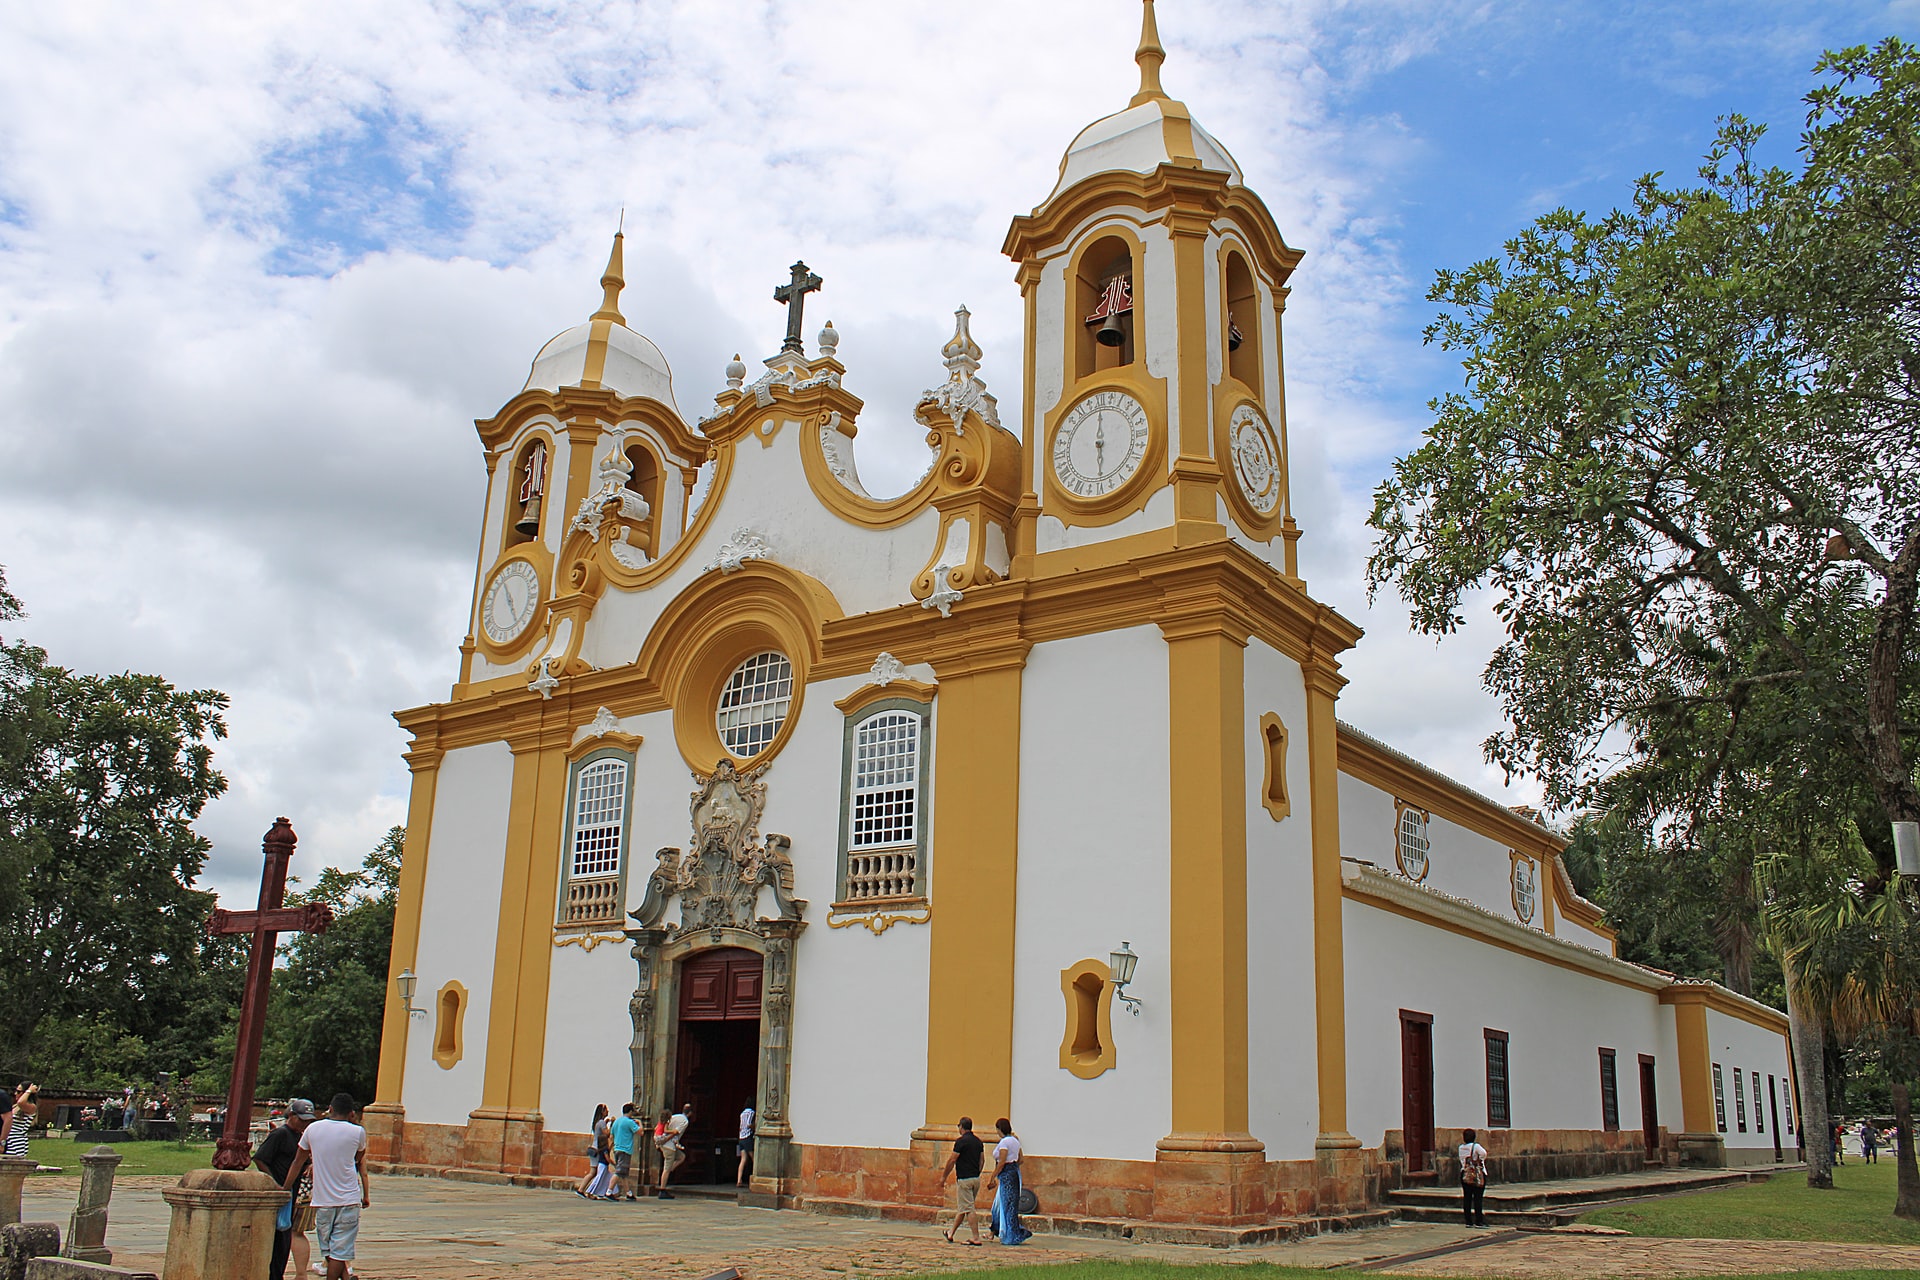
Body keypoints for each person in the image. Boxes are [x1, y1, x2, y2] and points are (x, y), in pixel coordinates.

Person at [284, 1094, 368, 1280]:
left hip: (323, 1200)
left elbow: (297, 1162)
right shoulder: (357, 1132)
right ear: (352, 1114)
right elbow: (358, 1157)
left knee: (329, 1249)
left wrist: (286, 1188)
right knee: (340, 1250)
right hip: (349, 1198)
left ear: (329, 1108)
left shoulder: (313, 1129)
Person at [253, 1098, 314, 1280]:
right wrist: (274, 1183)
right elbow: (260, 1158)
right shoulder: (280, 1134)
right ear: (292, 1116)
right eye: (301, 1119)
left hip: (292, 1192)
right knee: (278, 1237)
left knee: (285, 1238)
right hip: (280, 1190)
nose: (304, 1124)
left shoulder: (301, 1137)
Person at [938, 1116, 984, 1246]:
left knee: (969, 1208)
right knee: (963, 1207)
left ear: (961, 1127)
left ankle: (976, 1237)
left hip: (965, 1179)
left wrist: (943, 1177)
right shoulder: (978, 1142)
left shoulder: (961, 1142)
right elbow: (982, 1160)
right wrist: (977, 1173)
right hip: (975, 1179)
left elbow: (952, 1160)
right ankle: (951, 1233)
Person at [984, 1118, 1030, 1246]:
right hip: (1014, 1171)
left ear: (999, 1129)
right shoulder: (1015, 1141)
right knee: (1007, 1205)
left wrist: (993, 1176)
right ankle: (999, 1231)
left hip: (1006, 1174)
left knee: (1005, 1205)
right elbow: (1021, 1159)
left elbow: (1002, 1161)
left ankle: (1009, 1234)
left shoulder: (1004, 1143)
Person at [655, 1101, 690, 1199]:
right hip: (668, 1146)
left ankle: (670, 1170)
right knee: (666, 1168)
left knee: (681, 1157)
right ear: (690, 1113)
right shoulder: (685, 1121)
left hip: (668, 1144)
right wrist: (666, 1140)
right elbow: (676, 1133)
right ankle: (662, 1190)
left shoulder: (675, 1116)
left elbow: (659, 1128)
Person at [1458, 1128, 1490, 1227]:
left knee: (1467, 1198)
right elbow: (1484, 1153)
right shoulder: (1476, 1146)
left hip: (1465, 1174)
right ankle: (1479, 1220)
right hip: (1477, 1174)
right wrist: (1479, 1160)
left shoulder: (1461, 1148)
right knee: (1477, 1198)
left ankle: (1468, 1221)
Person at [611, 1103, 641, 1201]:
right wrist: (640, 1123)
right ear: (631, 1111)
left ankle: (629, 1193)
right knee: (619, 1172)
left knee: (624, 1173)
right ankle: (609, 1191)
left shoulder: (617, 1121)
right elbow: (641, 1132)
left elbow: (611, 1135)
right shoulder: (629, 1122)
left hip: (617, 1148)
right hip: (625, 1150)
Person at [6, 1084, 35, 1157]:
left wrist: (29, 1091)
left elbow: (21, 1102)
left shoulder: (31, 1107)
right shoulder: (16, 1106)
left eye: (19, 1092)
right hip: (7, 1140)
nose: (16, 1093)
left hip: (16, 1142)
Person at [736, 1101, 755, 1187]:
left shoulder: (742, 1113)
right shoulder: (751, 1112)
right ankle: (756, 1177)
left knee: (743, 1159)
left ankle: (739, 1180)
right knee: (753, 1158)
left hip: (741, 1138)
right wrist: (754, 1126)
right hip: (747, 1137)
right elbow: (748, 1124)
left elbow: (741, 1127)